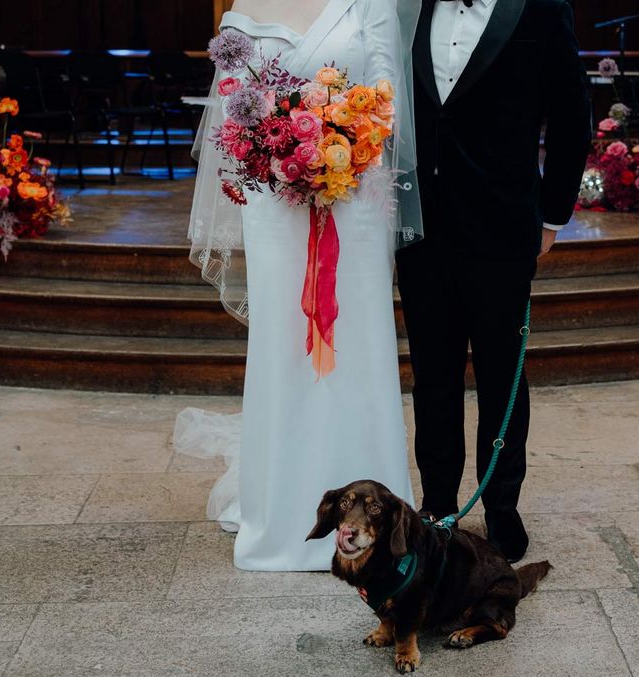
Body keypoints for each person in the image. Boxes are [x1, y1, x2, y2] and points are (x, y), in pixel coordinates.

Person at [175, 0, 423, 571]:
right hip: (274, 203)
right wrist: (281, 152)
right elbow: (231, 122)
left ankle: (376, 513)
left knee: (356, 349)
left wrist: (348, 141)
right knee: (285, 346)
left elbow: (392, 102)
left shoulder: (372, 4)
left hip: (355, 194)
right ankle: (282, 511)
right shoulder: (244, 11)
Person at [397, 0, 591, 562]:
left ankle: (501, 508)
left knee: (503, 372)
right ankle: (436, 505)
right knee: (432, 372)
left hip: (504, 226)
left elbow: (572, 111)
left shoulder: (542, 7)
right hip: (422, 229)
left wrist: (553, 215)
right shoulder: (412, 9)